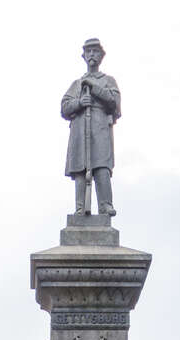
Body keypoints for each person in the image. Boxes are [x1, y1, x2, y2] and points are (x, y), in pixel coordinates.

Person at [61, 38, 121, 216]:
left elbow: (114, 102)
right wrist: (79, 102)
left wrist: (94, 89)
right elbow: (64, 107)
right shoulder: (76, 84)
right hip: (80, 130)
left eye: (95, 51)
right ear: (84, 56)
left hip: (100, 127)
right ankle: (80, 207)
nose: (92, 55)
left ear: (101, 56)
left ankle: (105, 205)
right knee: (80, 169)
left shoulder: (108, 80)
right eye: (88, 52)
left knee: (101, 167)